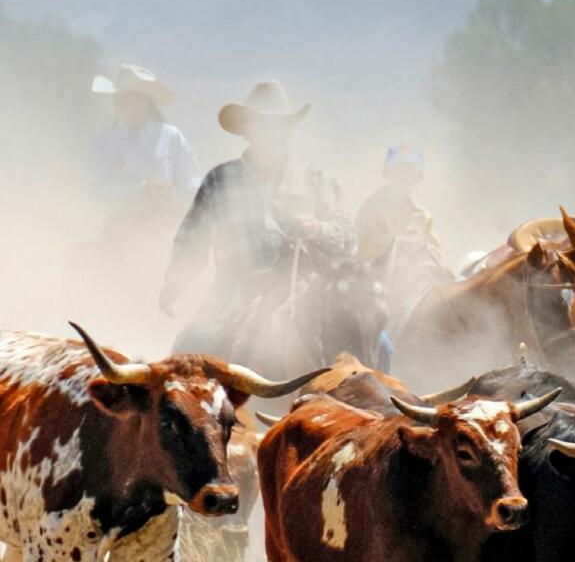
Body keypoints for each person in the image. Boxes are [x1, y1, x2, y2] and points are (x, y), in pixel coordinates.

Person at [159, 79, 354, 355]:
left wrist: (319, 228)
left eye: (280, 125)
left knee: (378, 343)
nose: (274, 133)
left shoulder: (316, 179)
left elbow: (348, 236)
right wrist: (175, 284)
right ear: (247, 131)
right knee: (191, 345)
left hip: (304, 287)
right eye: (263, 125)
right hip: (235, 288)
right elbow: (192, 240)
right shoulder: (220, 180)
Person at [89, 63, 200, 259]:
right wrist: (142, 190)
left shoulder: (171, 136)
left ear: (146, 101)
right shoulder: (104, 142)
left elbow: (192, 183)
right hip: (121, 228)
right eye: (119, 97)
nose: (121, 102)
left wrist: (171, 195)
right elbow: (97, 190)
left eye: (130, 96)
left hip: (167, 226)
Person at [355, 144, 452, 362]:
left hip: (416, 283)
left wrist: (423, 247)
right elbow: (363, 248)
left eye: (409, 172)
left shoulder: (423, 214)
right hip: (379, 287)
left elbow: (436, 251)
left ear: (417, 178)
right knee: (379, 341)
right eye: (398, 171)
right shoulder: (371, 207)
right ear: (387, 174)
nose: (403, 177)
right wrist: (396, 243)